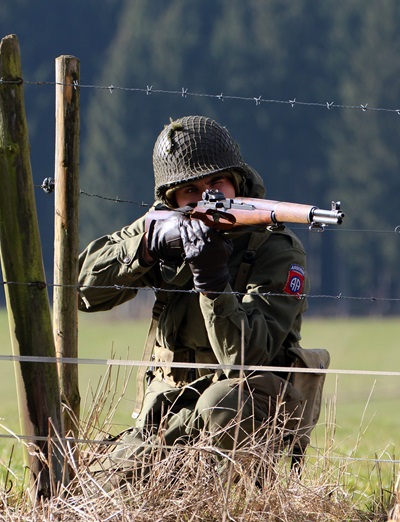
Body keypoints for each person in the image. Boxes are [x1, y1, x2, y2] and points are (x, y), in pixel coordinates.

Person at [78, 115, 316, 482]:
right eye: (190, 190)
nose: (208, 197)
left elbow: (245, 357)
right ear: (171, 199)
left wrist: (212, 281)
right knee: (95, 495)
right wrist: (145, 248)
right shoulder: (166, 230)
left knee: (220, 402)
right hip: (168, 409)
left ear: (236, 182)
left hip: (246, 407)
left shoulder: (275, 249)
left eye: (216, 182)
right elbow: (80, 291)